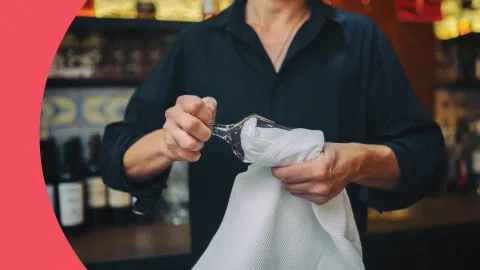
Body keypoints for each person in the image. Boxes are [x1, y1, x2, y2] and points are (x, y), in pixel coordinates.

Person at [100, 0, 446, 266]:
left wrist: (356, 163)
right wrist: (169, 141)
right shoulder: (195, 44)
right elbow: (117, 155)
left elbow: (426, 157)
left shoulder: (360, 38)